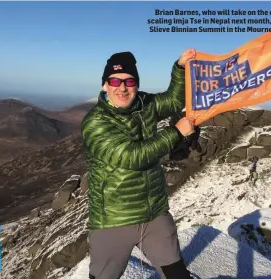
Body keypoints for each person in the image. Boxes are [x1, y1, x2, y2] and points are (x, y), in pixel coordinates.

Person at [81, 49, 197, 279]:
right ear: (105, 85)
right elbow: (132, 157)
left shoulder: (145, 104)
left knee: (177, 275)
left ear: (136, 84)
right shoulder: (94, 122)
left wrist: (181, 68)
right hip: (113, 221)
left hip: (154, 215)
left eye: (129, 81)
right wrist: (175, 133)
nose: (122, 87)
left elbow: (175, 100)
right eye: (115, 80)